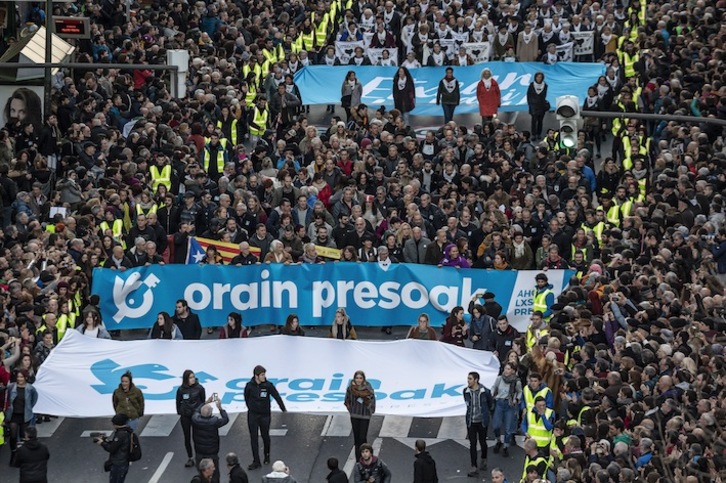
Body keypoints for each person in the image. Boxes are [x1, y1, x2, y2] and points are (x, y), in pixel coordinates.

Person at [244, 365, 287, 470]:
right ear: (256, 376)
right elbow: (246, 397)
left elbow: (276, 396)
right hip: (253, 415)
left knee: (265, 436)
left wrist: (283, 408)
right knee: (253, 438)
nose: (264, 376)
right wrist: (251, 407)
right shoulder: (249, 386)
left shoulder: (268, 385)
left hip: (265, 415)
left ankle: (266, 455)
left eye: (264, 374)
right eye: (262, 375)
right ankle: (256, 461)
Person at [191, 394, 229, 483]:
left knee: (202, 473)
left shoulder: (195, 419)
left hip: (199, 452)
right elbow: (225, 419)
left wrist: (205, 402)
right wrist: (220, 408)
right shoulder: (214, 422)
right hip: (212, 452)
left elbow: (196, 410)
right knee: (214, 474)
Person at [464, 371, 494, 477]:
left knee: (482, 442)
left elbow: (491, 403)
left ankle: (484, 459)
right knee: (472, 444)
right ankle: (474, 466)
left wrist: (487, 415)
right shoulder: (466, 391)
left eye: (470, 379)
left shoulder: (485, 391)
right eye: (468, 379)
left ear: (476, 380)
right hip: (471, 421)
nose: (468, 381)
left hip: (481, 422)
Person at [6, 369, 38, 466]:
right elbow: (7, 399)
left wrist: (29, 408)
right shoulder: (11, 387)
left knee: (24, 437)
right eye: (18, 377)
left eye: (21, 377)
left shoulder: (30, 388)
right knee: (13, 436)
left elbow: (34, 399)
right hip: (13, 415)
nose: (19, 379)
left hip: (25, 415)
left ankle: (23, 457)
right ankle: (14, 454)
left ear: (26, 378)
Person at [177, 370, 207, 468]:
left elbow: (203, 401)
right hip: (185, 416)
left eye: (193, 377)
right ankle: (190, 457)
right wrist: (180, 411)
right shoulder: (181, 389)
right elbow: (178, 401)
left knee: (197, 437)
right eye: (190, 377)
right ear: (186, 379)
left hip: (196, 416)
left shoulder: (199, 388)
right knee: (187, 438)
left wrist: (199, 412)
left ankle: (199, 457)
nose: (192, 379)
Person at [491, 363, 523, 458]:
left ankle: (505, 446)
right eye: (505, 368)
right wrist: (493, 393)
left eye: (509, 369)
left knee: (508, 428)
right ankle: (498, 441)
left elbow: (520, 391)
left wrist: (516, 399)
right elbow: (494, 387)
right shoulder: (499, 379)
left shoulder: (516, 381)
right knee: (496, 425)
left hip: (509, 405)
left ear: (513, 371)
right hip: (500, 403)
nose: (506, 371)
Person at [345, 370, 376, 461]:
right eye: (357, 378)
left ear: (363, 379)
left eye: (360, 378)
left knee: (363, 437)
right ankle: (358, 459)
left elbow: (372, 400)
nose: (358, 380)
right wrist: (351, 409)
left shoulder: (368, 388)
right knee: (357, 439)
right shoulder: (351, 388)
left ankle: (366, 456)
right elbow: (347, 400)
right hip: (354, 415)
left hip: (365, 416)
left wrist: (370, 409)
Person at [95, 413, 132, 483]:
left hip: (119, 463)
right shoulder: (127, 432)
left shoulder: (121, 434)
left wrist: (102, 443)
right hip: (123, 462)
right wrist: (106, 441)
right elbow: (117, 444)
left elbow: (112, 449)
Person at [526, 72, 549, 139]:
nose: (539, 78)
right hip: (533, 105)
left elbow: (544, 95)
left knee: (540, 121)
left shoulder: (545, 85)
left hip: (541, 106)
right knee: (534, 121)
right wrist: (530, 104)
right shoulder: (531, 85)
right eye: (537, 77)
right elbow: (528, 95)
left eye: (540, 77)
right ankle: (533, 134)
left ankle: (539, 133)